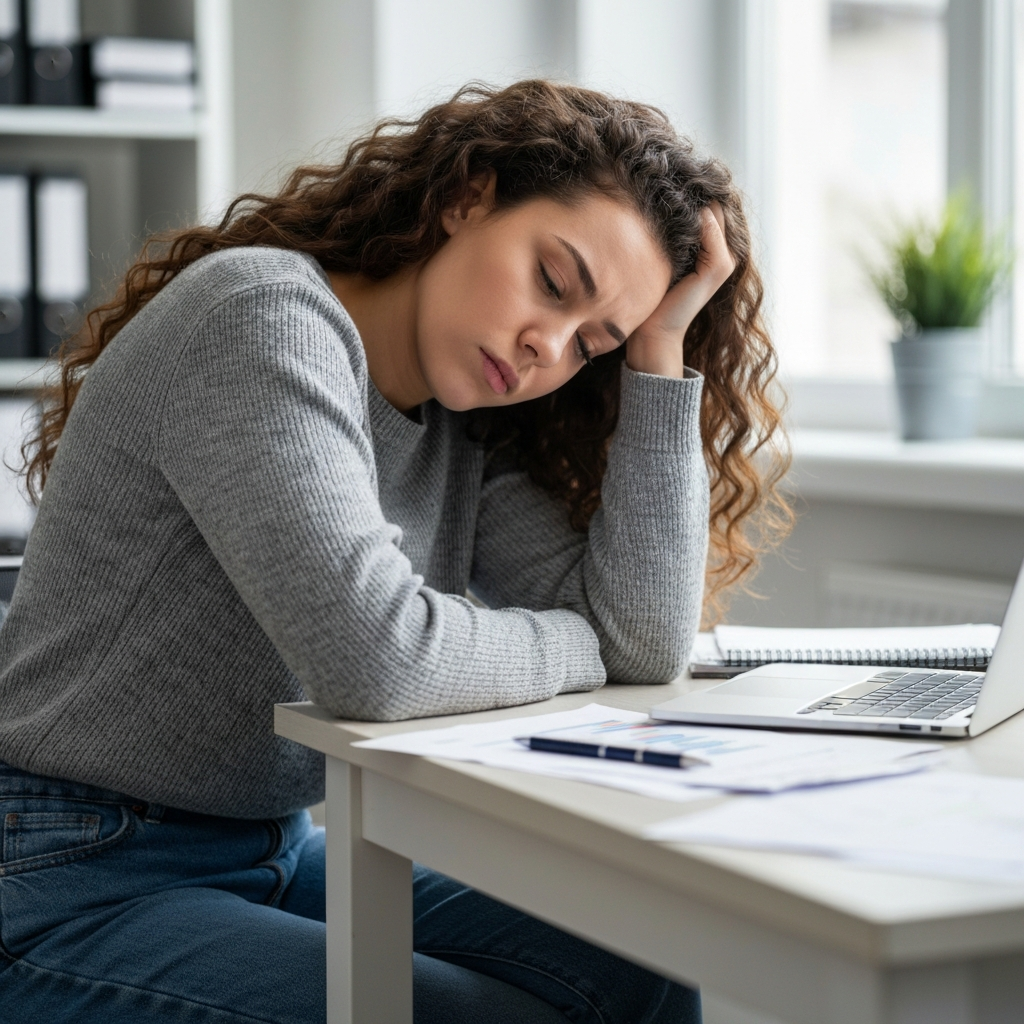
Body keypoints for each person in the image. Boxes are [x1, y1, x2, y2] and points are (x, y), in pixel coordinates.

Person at [0, 81, 788, 1023]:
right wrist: (583, 645)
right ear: (468, 197)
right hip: (69, 869)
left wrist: (661, 351)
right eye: (551, 280)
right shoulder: (260, 322)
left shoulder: (458, 421)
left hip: (267, 848)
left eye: (593, 342)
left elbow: (646, 643)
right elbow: (381, 659)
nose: (547, 346)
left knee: (642, 961)